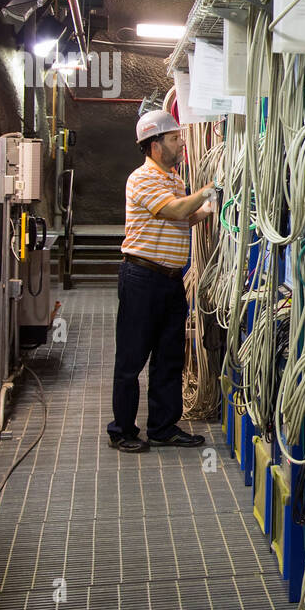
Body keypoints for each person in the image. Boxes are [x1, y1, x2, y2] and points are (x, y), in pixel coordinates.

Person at [107, 110, 215, 452]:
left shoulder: (174, 180)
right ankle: (122, 430)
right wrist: (209, 190)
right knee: (132, 357)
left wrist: (209, 210)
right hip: (142, 278)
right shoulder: (142, 179)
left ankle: (162, 427)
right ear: (155, 146)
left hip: (170, 281)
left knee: (169, 356)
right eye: (174, 138)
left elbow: (184, 218)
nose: (181, 143)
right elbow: (175, 211)